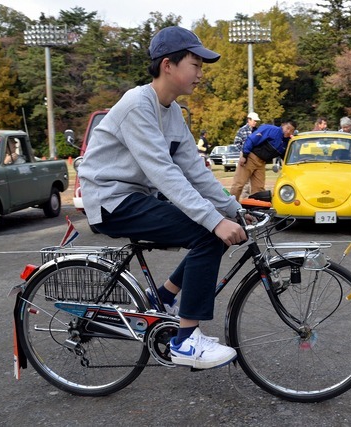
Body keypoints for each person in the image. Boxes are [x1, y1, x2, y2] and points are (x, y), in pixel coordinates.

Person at [78, 26, 249, 370]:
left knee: (213, 229)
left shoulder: (171, 110)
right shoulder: (136, 104)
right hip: (111, 200)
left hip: (134, 197)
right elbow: (165, 174)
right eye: (196, 64)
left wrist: (233, 208)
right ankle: (185, 342)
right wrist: (215, 220)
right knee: (206, 232)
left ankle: (164, 297)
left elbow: (195, 171)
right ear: (168, 65)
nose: (201, 74)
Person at [229, 120, 297, 201]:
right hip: (250, 157)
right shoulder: (270, 129)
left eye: (291, 130)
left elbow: (285, 156)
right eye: (287, 128)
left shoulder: (286, 142)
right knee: (238, 184)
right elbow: (252, 139)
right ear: (283, 125)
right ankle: (231, 207)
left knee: (259, 189)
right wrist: (244, 155)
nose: (288, 131)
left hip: (262, 163)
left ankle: (254, 210)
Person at [233, 112, 261, 198]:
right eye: (254, 120)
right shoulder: (242, 130)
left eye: (256, 121)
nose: (255, 122)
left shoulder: (258, 131)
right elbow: (237, 142)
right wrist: (243, 152)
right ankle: (244, 198)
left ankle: (253, 199)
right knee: (244, 180)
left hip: (256, 156)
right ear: (249, 120)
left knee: (255, 179)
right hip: (245, 156)